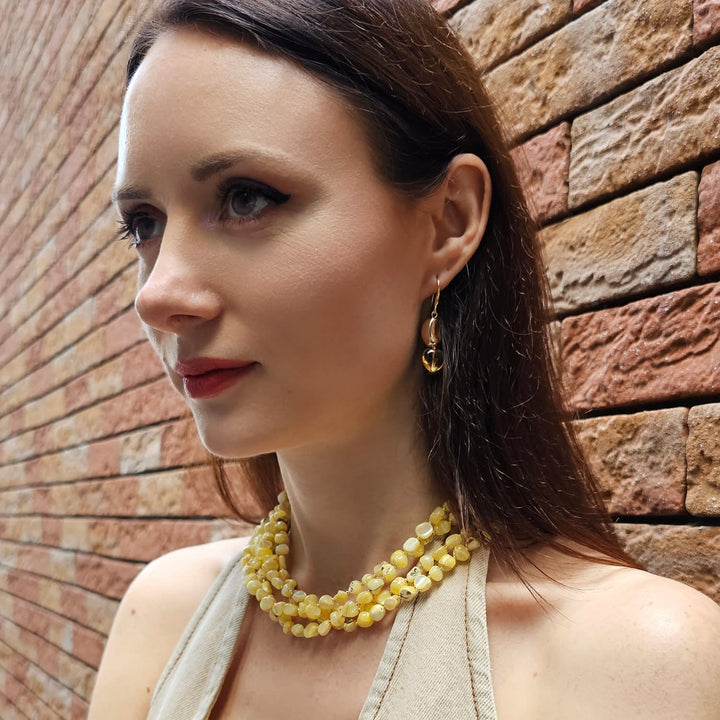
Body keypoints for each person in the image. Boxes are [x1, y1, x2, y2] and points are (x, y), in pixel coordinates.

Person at [88, 1, 720, 718]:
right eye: (143, 224)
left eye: (247, 199)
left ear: (448, 223)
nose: (158, 293)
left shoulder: (630, 664)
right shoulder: (161, 616)